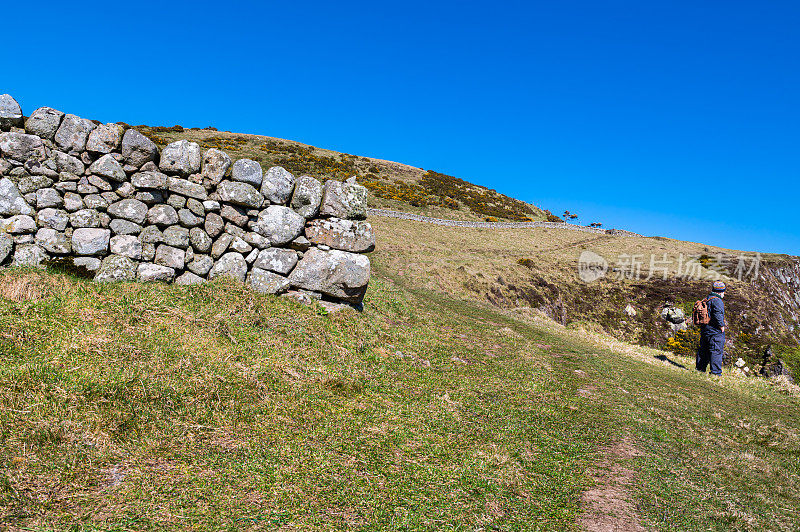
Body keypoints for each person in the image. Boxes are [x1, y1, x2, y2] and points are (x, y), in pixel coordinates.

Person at [696, 280, 726, 375]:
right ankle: (715, 373)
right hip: (714, 330)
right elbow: (718, 314)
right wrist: (721, 326)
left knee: (703, 349)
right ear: (720, 291)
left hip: (705, 328)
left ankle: (700, 369)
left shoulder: (707, 298)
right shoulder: (717, 301)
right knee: (716, 351)